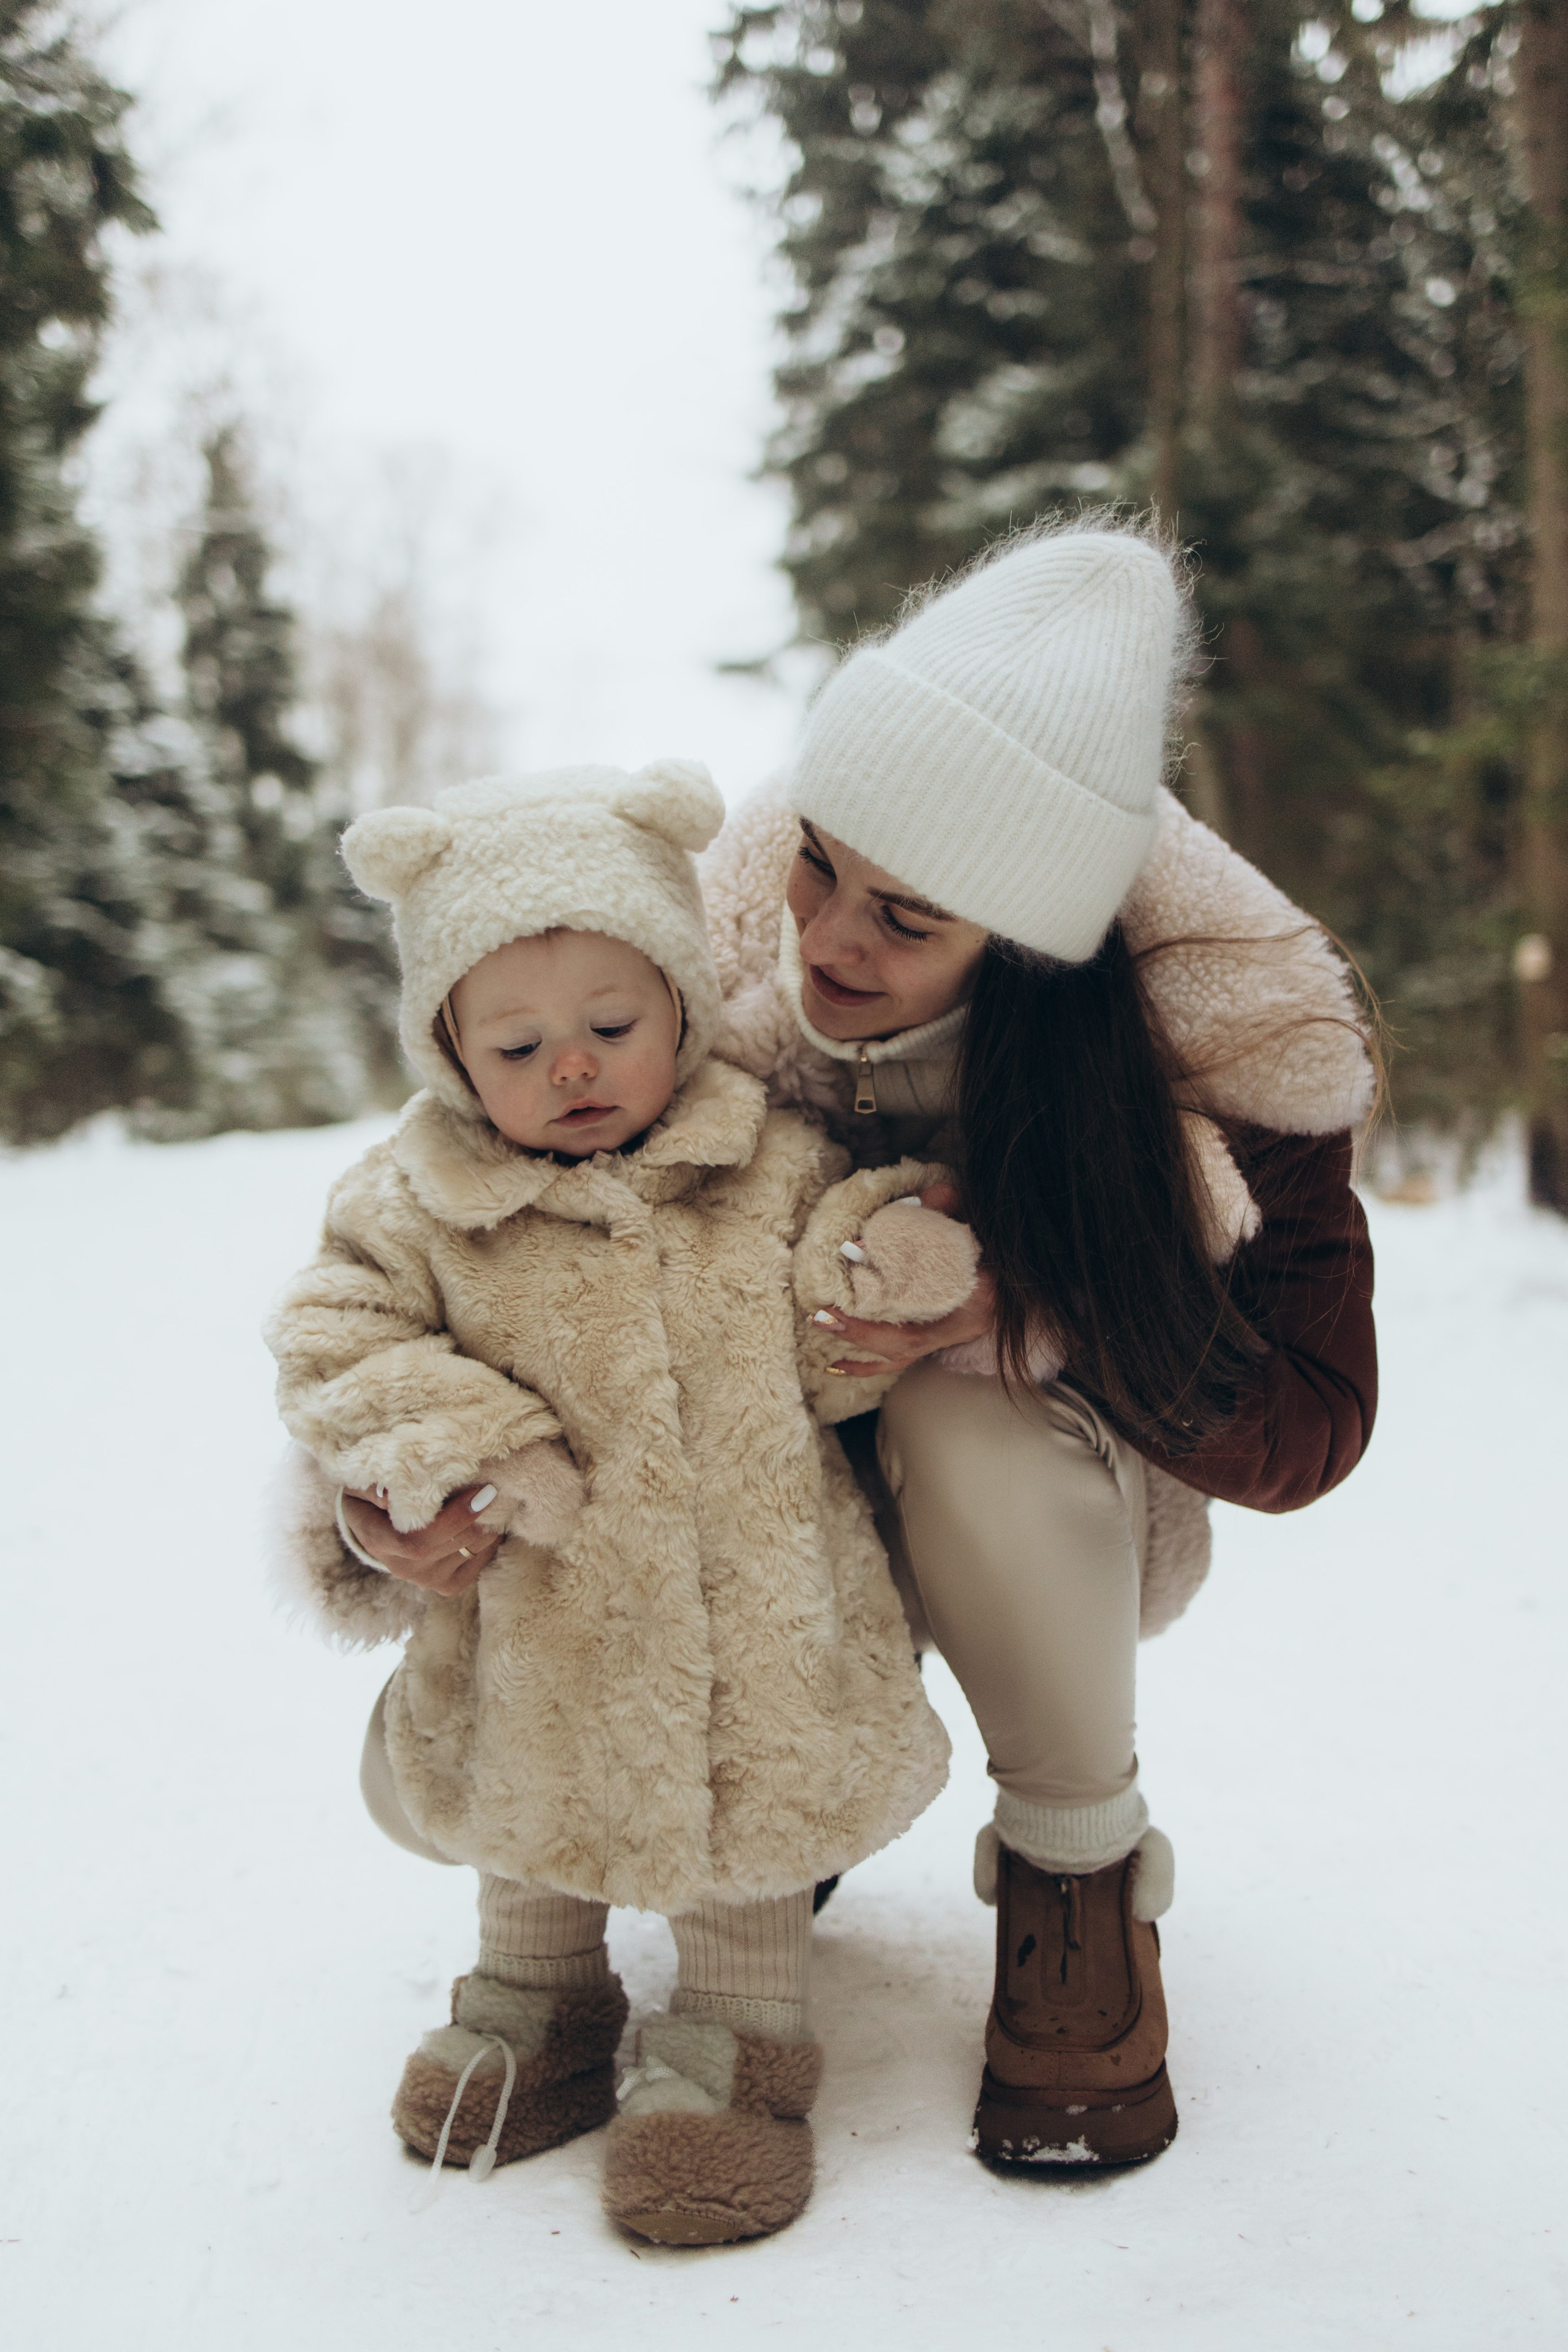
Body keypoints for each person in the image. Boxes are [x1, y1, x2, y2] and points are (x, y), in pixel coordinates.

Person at [344, 518, 1379, 2173]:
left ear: (1027, 948)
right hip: (761, 1524)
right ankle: (760, 1771)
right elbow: (495, 1276)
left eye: (905, 918)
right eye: (819, 863)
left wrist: (1034, 1310)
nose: (823, 938)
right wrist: (388, 1500)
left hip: (1058, 1505)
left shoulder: (1226, 1057)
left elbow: (1313, 1431)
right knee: (450, 1727)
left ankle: (1075, 1880)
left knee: (961, 1401)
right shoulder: (692, 985)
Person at [265, 760, 960, 2243]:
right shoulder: (417, 1203)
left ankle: (737, 2054)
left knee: (752, 1807)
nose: (570, 1068)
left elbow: (830, 1332)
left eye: (609, 1026)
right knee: (534, 1805)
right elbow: (336, 1341)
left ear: (681, 1006)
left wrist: (881, 1255)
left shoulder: (765, 1162)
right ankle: (538, 2011)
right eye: (517, 1044)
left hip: (759, 1593)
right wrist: (464, 1436)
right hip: (539, 1614)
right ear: (449, 1049)